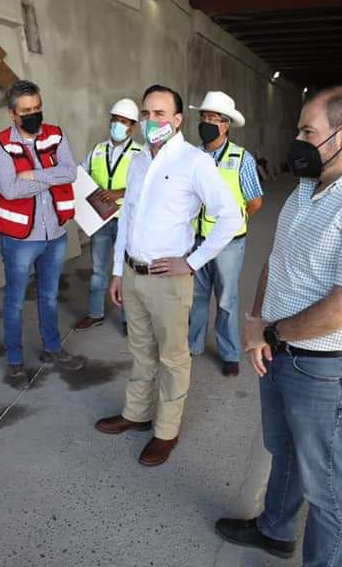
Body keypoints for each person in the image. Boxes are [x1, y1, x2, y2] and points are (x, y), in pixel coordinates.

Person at [215, 86, 342, 567]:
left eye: (308, 132)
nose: (298, 141)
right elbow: (278, 260)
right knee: (282, 451)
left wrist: (270, 333)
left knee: (324, 489)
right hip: (280, 353)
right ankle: (275, 530)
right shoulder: (308, 189)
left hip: (328, 373)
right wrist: (256, 322)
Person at [94, 84, 241, 466]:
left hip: (168, 281)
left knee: (173, 359)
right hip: (133, 273)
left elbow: (230, 217)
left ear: (177, 120)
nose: (150, 121)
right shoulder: (139, 160)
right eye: (146, 114)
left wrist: (192, 262)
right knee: (140, 351)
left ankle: (166, 431)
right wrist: (117, 272)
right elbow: (127, 217)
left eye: (159, 114)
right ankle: (136, 414)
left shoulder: (195, 162)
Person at [0, 80, 84, 387]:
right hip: (20, 238)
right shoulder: (0, 144)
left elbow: (70, 172)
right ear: (12, 114)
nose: (34, 115)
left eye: (37, 108)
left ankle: (52, 348)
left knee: (50, 295)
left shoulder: (55, 134)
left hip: (55, 232)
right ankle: (15, 362)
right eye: (26, 111)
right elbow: (9, 189)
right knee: (15, 301)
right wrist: (51, 177)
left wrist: (31, 174)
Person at [188, 91, 264, 376]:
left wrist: (232, 224)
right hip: (196, 240)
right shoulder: (192, 156)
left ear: (226, 124)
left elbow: (254, 201)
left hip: (228, 245)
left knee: (226, 301)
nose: (207, 123)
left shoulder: (241, 158)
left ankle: (230, 354)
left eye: (214, 118)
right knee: (196, 297)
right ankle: (192, 345)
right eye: (204, 117)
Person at [74, 98, 142, 335]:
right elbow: (81, 177)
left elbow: (147, 187)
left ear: (132, 127)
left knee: (126, 272)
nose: (117, 125)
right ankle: (95, 314)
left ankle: (127, 319)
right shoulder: (97, 150)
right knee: (98, 269)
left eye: (123, 122)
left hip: (127, 220)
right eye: (115, 120)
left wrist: (119, 193)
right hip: (100, 220)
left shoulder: (140, 154)